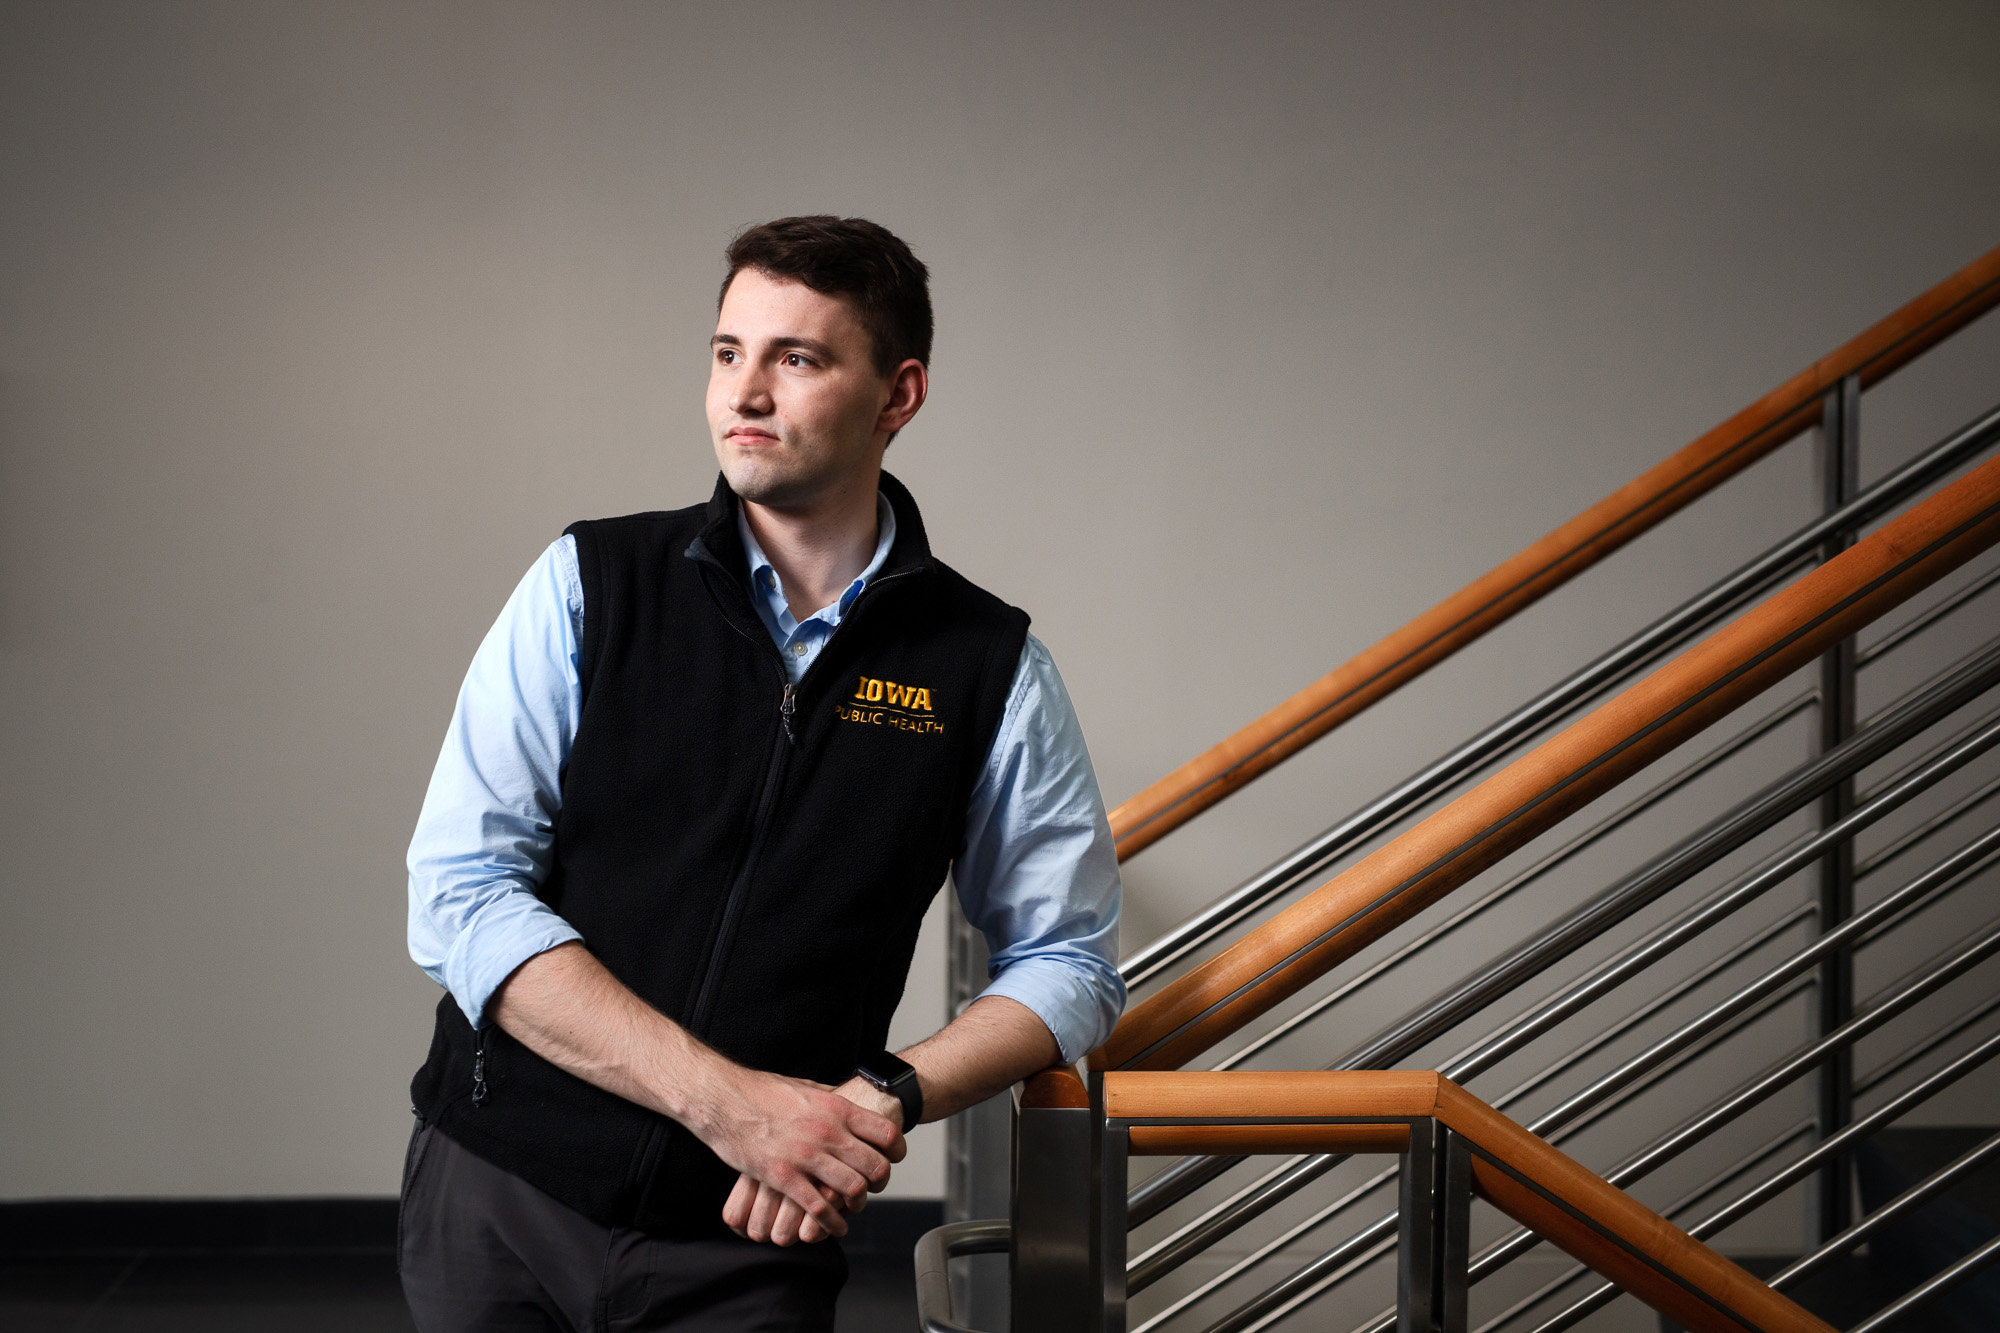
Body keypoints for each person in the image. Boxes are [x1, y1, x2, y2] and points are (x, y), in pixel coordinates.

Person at [398, 215, 1125, 1332]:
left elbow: (1068, 959)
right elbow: (461, 894)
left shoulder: (986, 665)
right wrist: (734, 1106)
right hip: (499, 1197)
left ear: (898, 394)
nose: (743, 393)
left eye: (797, 358)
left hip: (752, 1234)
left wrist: (880, 1097)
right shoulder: (592, 582)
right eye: (727, 352)